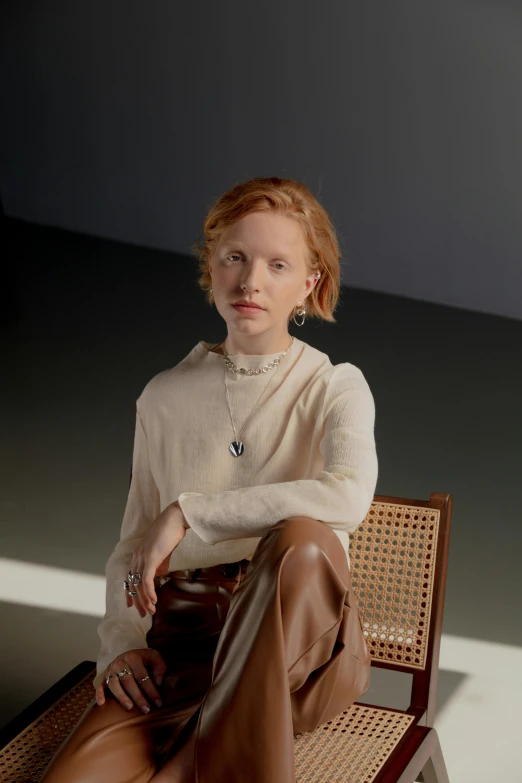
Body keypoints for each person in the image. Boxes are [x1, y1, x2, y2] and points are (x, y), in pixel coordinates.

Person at [40, 176, 378, 783]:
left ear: (310, 284)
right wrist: (120, 640)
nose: (251, 281)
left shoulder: (335, 386)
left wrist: (191, 512)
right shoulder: (164, 396)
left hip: (295, 643)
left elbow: (348, 495)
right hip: (184, 643)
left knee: (302, 540)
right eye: (235, 258)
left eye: (278, 265)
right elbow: (132, 544)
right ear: (212, 267)